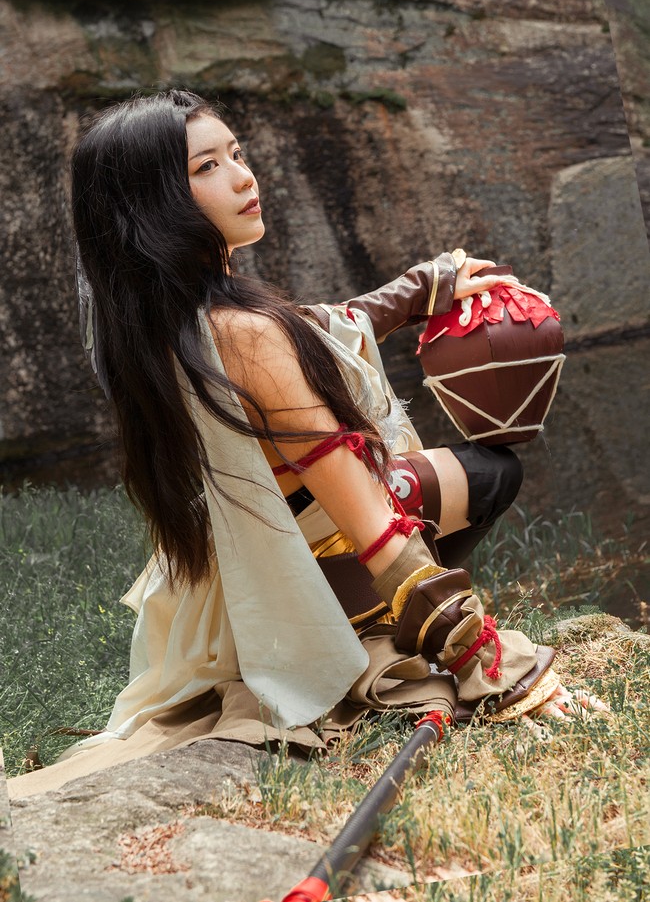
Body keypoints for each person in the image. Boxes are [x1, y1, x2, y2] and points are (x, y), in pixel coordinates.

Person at [9, 90, 604, 798]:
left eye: (237, 153)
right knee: (486, 473)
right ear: (155, 201)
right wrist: (490, 663)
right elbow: (372, 526)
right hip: (303, 580)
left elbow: (313, 327)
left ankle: (385, 613)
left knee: (478, 473)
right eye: (206, 166)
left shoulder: (163, 317)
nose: (244, 176)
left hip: (238, 581)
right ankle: (382, 623)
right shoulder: (242, 334)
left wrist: (419, 289)